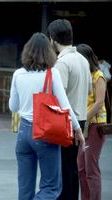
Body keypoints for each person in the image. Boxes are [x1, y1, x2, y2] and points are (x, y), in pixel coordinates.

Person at [9, 32, 85, 200]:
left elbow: (13, 106)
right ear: (48, 52)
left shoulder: (18, 74)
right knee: (51, 187)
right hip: (44, 133)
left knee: (25, 188)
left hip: (23, 133)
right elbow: (65, 106)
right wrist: (77, 129)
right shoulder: (52, 74)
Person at [47, 19, 92, 200]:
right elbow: (89, 90)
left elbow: (60, 95)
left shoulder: (62, 63)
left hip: (66, 120)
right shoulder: (83, 59)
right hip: (80, 118)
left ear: (52, 39)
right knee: (72, 168)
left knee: (63, 170)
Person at [76, 43, 107, 200]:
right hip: (85, 125)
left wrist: (84, 118)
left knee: (91, 168)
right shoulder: (84, 75)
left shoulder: (98, 76)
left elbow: (99, 102)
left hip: (95, 125)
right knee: (81, 167)